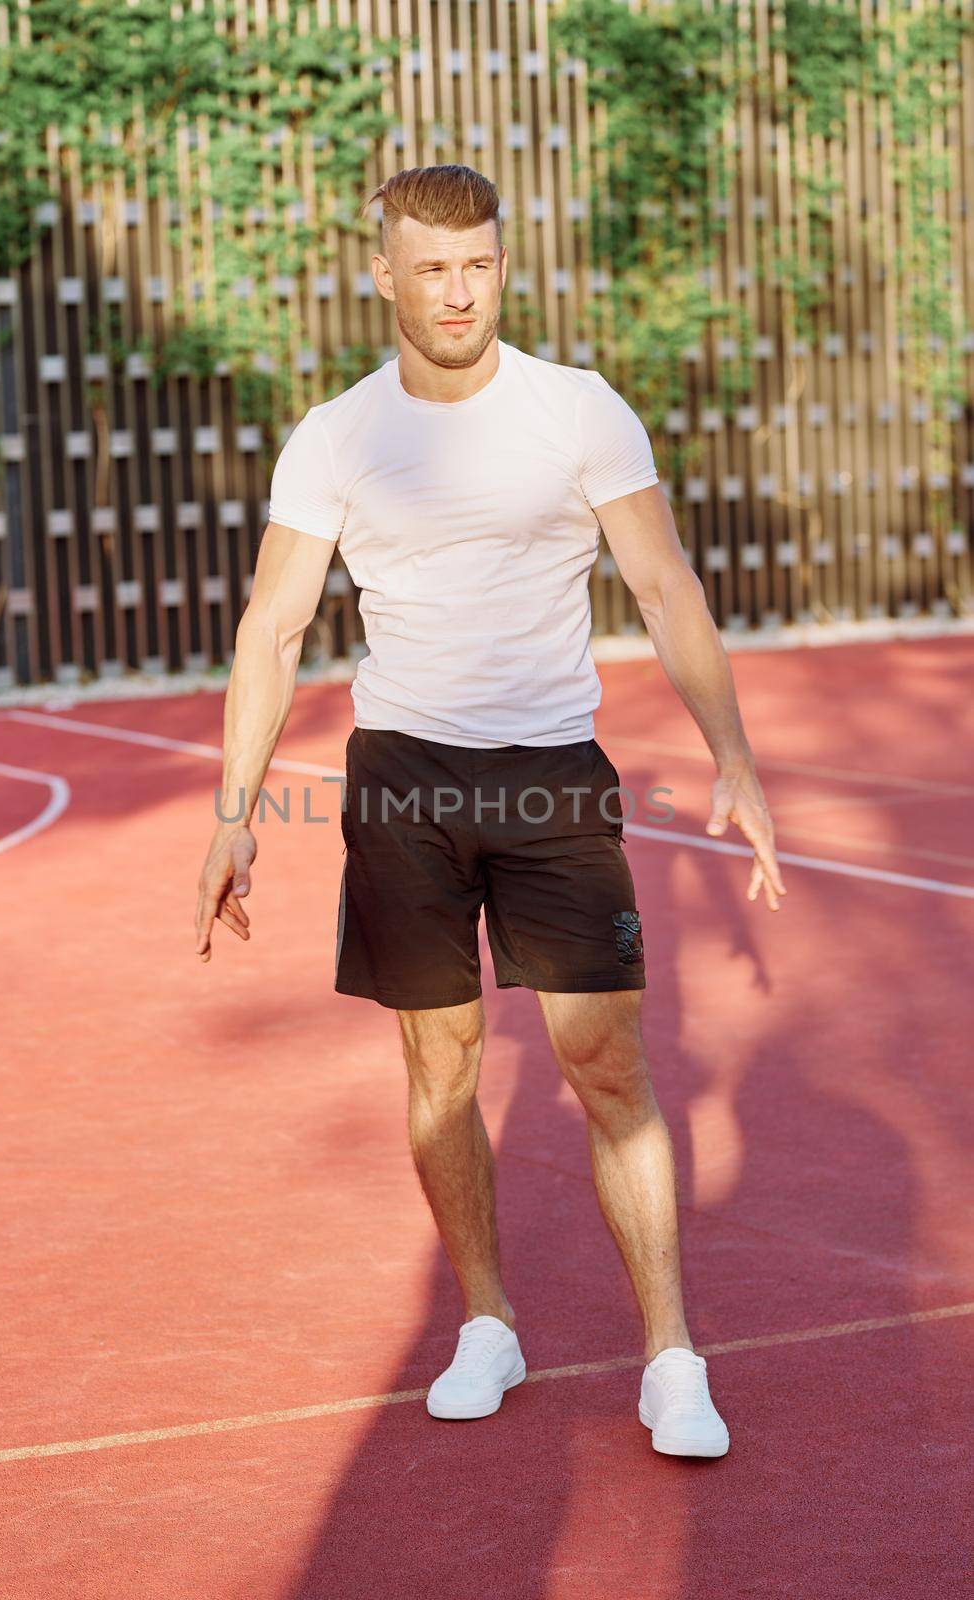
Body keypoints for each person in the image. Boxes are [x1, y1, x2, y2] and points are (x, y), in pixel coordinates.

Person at [195, 164, 787, 1459]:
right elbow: (274, 623)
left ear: (500, 266)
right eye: (432, 270)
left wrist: (731, 753)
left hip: (552, 775)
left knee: (607, 1062)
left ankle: (672, 1359)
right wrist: (235, 810)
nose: (458, 293)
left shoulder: (578, 413)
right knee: (438, 1069)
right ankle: (488, 1322)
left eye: (479, 267)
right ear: (385, 275)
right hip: (402, 779)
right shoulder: (338, 437)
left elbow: (665, 587)